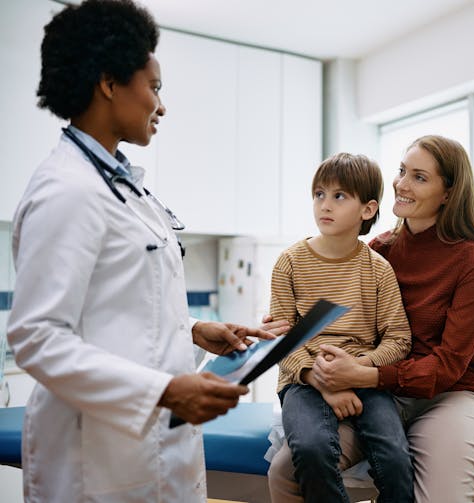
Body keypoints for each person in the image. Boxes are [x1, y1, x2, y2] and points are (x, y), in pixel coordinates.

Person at [5, 1, 284, 501]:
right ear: (109, 83)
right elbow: (37, 337)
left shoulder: (121, 187)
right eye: (154, 87)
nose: (161, 105)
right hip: (96, 461)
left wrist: (196, 331)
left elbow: (121, 307)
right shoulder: (67, 190)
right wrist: (164, 391)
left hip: (150, 448)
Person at [268, 135, 474, 502]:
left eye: (419, 177)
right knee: (288, 471)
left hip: (451, 393)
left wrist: (363, 374)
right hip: (383, 388)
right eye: (401, 171)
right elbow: (313, 317)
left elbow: (448, 366)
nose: (401, 184)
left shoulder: (469, 259)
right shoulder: (377, 251)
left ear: (448, 193)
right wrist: (283, 329)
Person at [270, 153, 414, 502]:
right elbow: (281, 340)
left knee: (395, 457)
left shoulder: (378, 269)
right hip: (302, 381)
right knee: (311, 447)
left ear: (367, 210)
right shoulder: (289, 262)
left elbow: (399, 339)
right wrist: (322, 377)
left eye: (339, 196)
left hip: (363, 377)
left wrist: (354, 370)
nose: (325, 205)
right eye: (319, 194)